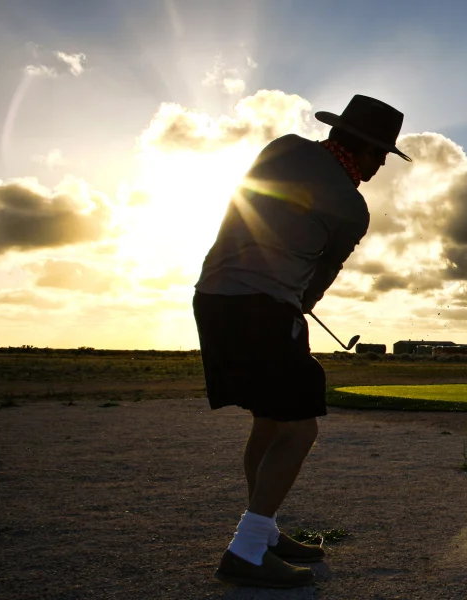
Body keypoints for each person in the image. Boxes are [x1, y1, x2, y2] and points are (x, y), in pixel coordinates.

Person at [192, 95, 412, 588]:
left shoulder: (283, 147)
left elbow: (242, 210)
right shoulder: (353, 208)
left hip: (212, 299)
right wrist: (294, 298)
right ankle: (246, 550)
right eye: (381, 155)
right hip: (262, 309)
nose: (380, 165)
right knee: (300, 428)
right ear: (363, 147)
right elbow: (320, 278)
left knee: (270, 422)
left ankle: (263, 531)